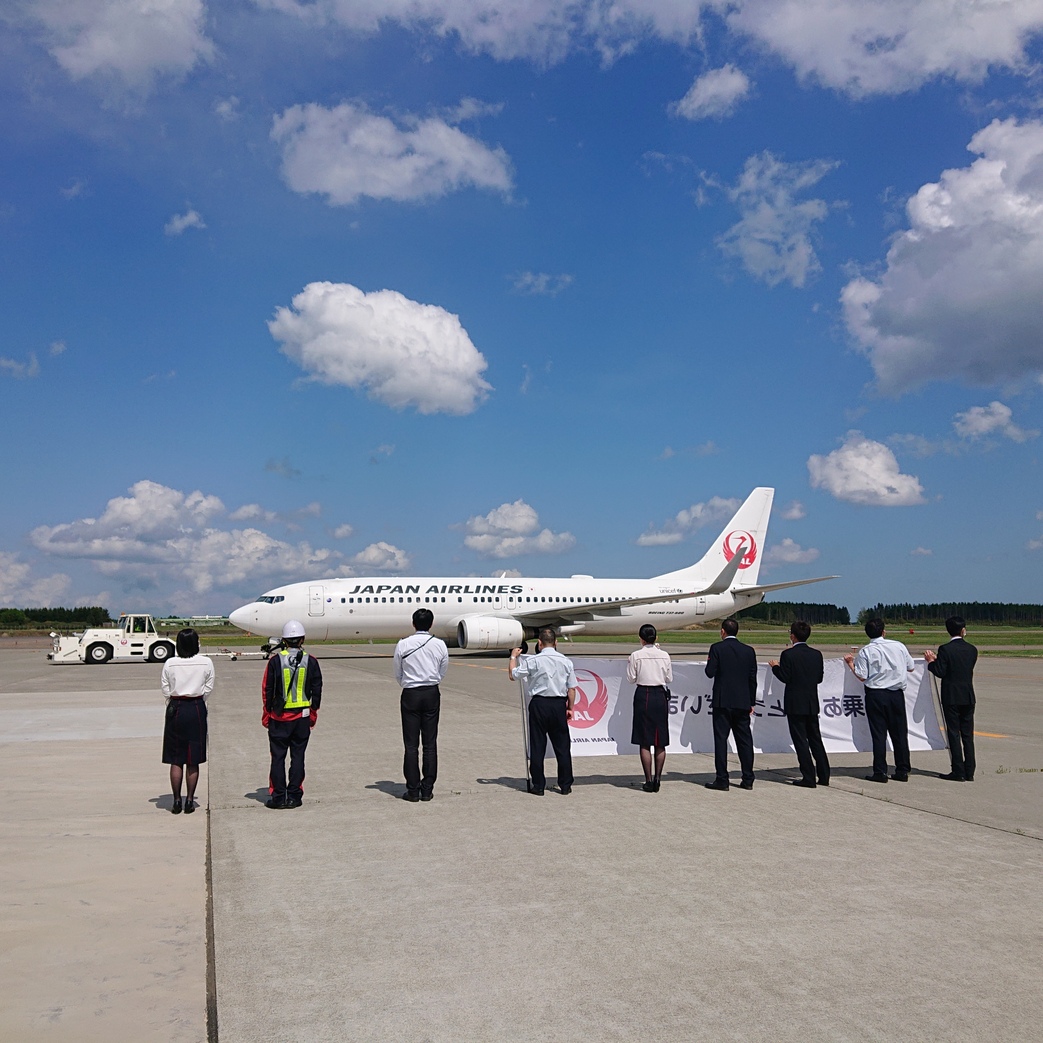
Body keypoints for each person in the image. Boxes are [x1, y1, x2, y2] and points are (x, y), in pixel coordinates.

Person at [844, 618, 915, 783]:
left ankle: (880, 771)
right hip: (896, 694)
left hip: (876, 695)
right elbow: (911, 667)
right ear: (884, 631)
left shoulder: (866, 651)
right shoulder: (899, 646)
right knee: (899, 735)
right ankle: (903, 770)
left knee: (879, 735)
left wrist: (850, 664)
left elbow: (862, 676)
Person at [262, 619, 322, 809]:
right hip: (302, 717)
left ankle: (278, 797)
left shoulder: (275, 661)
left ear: (284, 641)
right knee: (298, 757)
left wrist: (266, 714)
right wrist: (313, 713)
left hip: (279, 718)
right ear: (302, 639)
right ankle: (294, 796)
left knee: (278, 757)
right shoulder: (311, 660)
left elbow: (267, 690)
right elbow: (317, 690)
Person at [509, 628, 577, 796]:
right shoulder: (566, 661)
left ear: (539, 643)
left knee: (538, 745)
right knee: (562, 746)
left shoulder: (534, 661)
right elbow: (572, 689)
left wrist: (513, 657)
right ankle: (565, 784)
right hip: (558, 704)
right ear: (556, 643)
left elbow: (513, 675)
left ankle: (538, 785)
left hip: (540, 704)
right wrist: (570, 707)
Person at [393, 608, 449, 802]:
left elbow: (397, 672)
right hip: (431, 693)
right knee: (430, 743)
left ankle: (412, 789)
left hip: (411, 694)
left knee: (410, 745)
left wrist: (409, 684)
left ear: (413, 624)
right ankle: (427, 788)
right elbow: (443, 670)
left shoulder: (403, 644)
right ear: (431, 624)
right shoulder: (440, 645)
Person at [769, 620, 829, 788]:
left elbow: (785, 677)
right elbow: (819, 678)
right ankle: (824, 774)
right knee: (815, 739)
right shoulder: (816, 654)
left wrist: (775, 668)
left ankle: (808, 776)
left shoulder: (788, 655)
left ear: (792, 636)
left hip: (795, 703)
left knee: (800, 741)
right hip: (811, 702)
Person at [161, 628, 215, 814]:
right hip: (196, 707)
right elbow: (209, 686)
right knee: (193, 759)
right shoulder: (206, 662)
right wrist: (198, 699)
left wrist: (175, 699)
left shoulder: (170, 663)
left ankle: (176, 800)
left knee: (176, 759)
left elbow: (165, 688)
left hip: (176, 707)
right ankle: (190, 800)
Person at [704, 618, 758, 791]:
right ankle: (748, 778)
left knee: (721, 740)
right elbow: (752, 679)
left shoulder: (717, 648)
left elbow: (709, 673)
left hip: (722, 701)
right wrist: (751, 701)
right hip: (742, 701)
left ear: (722, 631)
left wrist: (710, 661)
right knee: (745, 741)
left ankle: (722, 779)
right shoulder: (749, 651)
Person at [924, 616, 978, 782]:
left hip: (951, 697)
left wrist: (931, 662)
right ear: (963, 630)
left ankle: (958, 770)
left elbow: (940, 672)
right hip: (968, 695)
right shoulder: (972, 649)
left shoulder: (946, 649)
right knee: (968, 735)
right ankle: (970, 771)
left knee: (954, 733)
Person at [626, 624, 673, 792]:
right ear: (656, 638)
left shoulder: (636, 655)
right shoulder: (664, 655)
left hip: (643, 693)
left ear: (641, 638)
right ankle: (658, 778)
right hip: (659, 694)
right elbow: (669, 678)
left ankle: (648, 779)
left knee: (644, 740)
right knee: (660, 741)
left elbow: (631, 678)